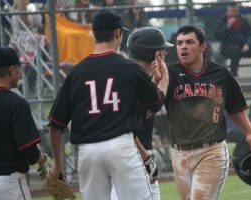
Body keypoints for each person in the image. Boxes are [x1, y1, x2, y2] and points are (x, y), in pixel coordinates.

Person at [47, 9, 169, 200]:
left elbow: (56, 125)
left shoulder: (76, 73)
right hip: (121, 146)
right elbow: (155, 103)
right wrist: (164, 80)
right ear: (118, 33)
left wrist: (57, 165)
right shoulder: (129, 67)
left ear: (93, 34)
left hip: (87, 152)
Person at [153, 25, 251, 200]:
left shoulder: (220, 74)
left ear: (202, 47)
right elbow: (154, 104)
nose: (183, 47)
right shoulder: (169, 72)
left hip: (211, 151)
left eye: (189, 42)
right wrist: (157, 81)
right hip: (179, 154)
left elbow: (236, 108)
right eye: (179, 43)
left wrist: (249, 133)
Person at [110, 27, 173, 200]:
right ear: (152, 54)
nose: (164, 55)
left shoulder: (133, 77)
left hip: (131, 158)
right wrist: (146, 157)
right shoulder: (130, 78)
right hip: (132, 159)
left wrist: (155, 81)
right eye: (161, 51)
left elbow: (145, 106)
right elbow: (127, 129)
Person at [0, 47, 47, 200]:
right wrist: (41, 159)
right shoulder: (16, 103)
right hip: (9, 183)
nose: (20, 73)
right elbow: (27, 147)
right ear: (11, 70)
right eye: (19, 69)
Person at [215, 3, 251, 76]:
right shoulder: (222, 19)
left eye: (236, 10)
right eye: (232, 10)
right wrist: (228, 26)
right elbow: (218, 36)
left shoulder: (243, 19)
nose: (234, 12)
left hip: (245, 46)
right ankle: (234, 75)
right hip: (229, 47)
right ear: (228, 9)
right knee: (235, 49)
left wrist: (247, 44)